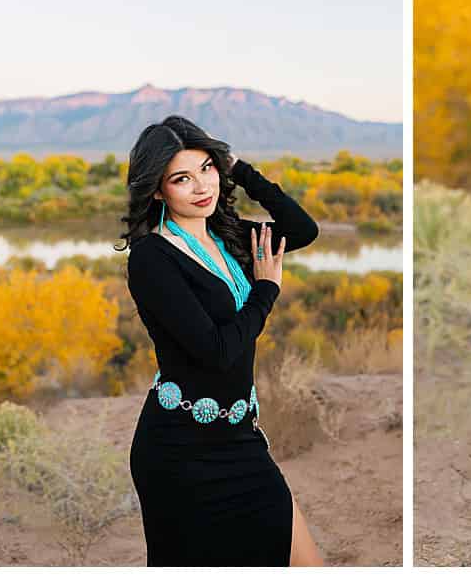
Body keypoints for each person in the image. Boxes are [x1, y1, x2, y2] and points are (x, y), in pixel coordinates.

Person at [120, 117, 325, 565]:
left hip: (240, 439)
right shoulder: (153, 258)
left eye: (207, 169)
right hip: (179, 453)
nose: (200, 186)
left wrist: (240, 169)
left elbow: (303, 229)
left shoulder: (230, 236)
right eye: (181, 178)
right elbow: (216, 351)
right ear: (157, 190)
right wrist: (266, 291)